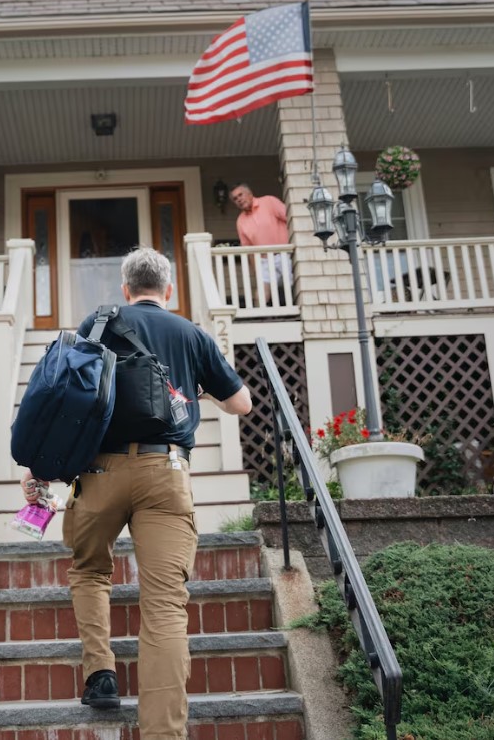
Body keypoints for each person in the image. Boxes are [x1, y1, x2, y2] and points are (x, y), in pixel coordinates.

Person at [21, 248, 251, 740]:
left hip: (99, 471)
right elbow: (241, 404)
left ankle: (101, 674)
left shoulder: (98, 323)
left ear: (125, 289)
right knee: (166, 604)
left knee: (89, 569)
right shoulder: (190, 333)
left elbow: (62, 393)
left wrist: (40, 469)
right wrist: (193, 387)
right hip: (165, 470)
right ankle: (163, 734)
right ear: (168, 290)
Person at [230, 183, 292, 305]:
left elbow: (290, 219)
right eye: (235, 199)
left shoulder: (269, 202)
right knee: (261, 293)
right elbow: (249, 251)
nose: (239, 200)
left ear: (250, 193)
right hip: (264, 260)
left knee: (292, 287)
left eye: (240, 195)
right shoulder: (241, 221)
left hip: (285, 254)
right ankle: (262, 317)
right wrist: (256, 271)